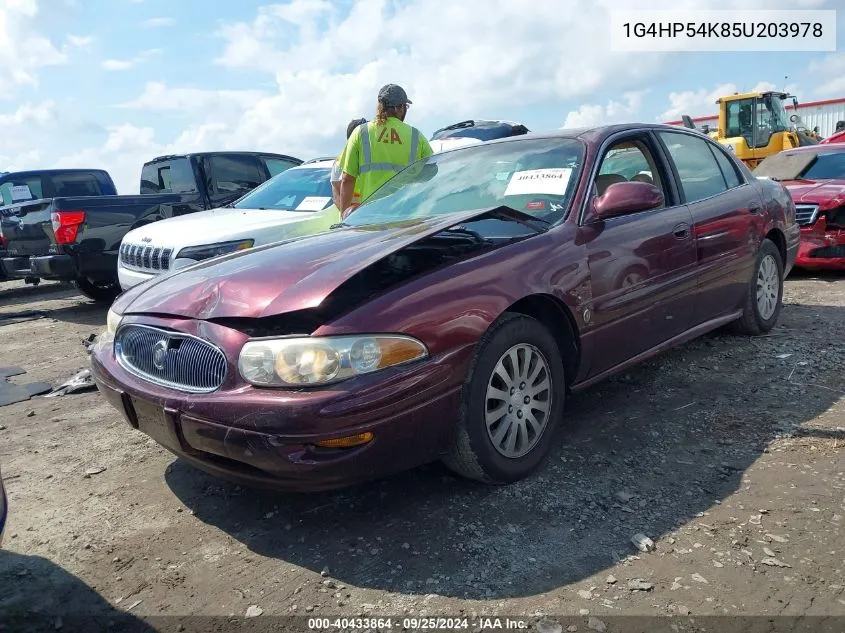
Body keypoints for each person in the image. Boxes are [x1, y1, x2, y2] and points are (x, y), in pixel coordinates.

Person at [337, 84, 433, 216]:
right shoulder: (416, 136)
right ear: (399, 108)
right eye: (405, 106)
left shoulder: (361, 132)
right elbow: (431, 173)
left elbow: (347, 179)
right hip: (405, 216)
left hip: (369, 216)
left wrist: (344, 218)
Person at [331, 118, 366, 210]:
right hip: (352, 219)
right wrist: (347, 216)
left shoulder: (369, 159)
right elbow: (337, 195)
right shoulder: (340, 162)